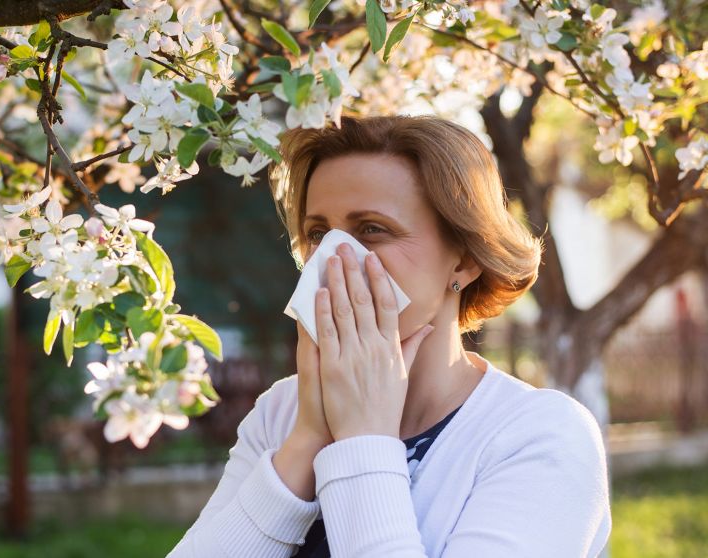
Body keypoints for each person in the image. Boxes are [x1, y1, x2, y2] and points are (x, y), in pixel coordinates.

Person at [165, 114, 612, 557]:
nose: (335, 258)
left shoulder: (540, 436)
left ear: (463, 259)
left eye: (371, 230)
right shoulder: (281, 413)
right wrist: (307, 440)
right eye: (318, 233)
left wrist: (363, 435)